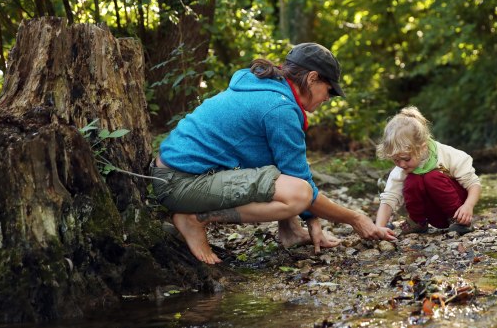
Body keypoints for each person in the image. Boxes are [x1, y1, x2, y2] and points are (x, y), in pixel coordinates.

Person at [151, 43, 396, 264]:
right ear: (312, 78)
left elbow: (281, 169)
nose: (327, 99)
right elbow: (301, 187)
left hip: (170, 176)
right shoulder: (280, 109)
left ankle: (290, 230)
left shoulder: (262, 87)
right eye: (329, 91)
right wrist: (355, 219)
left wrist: (309, 221)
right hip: (181, 184)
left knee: (294, 187)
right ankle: (196, 218)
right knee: (298, 194)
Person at [374, 106, 482, 235]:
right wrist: (378, 228)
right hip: (433, 215)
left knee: (432, 177)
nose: (401, 164)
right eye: (396, 160)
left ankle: (459, 222)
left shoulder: (447, 154)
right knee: (413, 180)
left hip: (459, 211)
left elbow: (473, 184)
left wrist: (468, 206)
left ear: (422, 148)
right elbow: (389, 199)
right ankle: (418, 222)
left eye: (406, 159)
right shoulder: (401, 170)